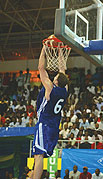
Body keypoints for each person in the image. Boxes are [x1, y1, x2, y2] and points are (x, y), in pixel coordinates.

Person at [31, 46, 69, 179]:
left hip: (45, 124)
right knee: (38, 156)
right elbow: (62, 69)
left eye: (57, 76)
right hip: (54, 126)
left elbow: (41, 68)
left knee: (38, 155)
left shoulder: (50, 87)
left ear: (56, 81)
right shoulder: (64, 89)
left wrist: (44, 48)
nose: (56, 75)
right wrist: (59, 51)